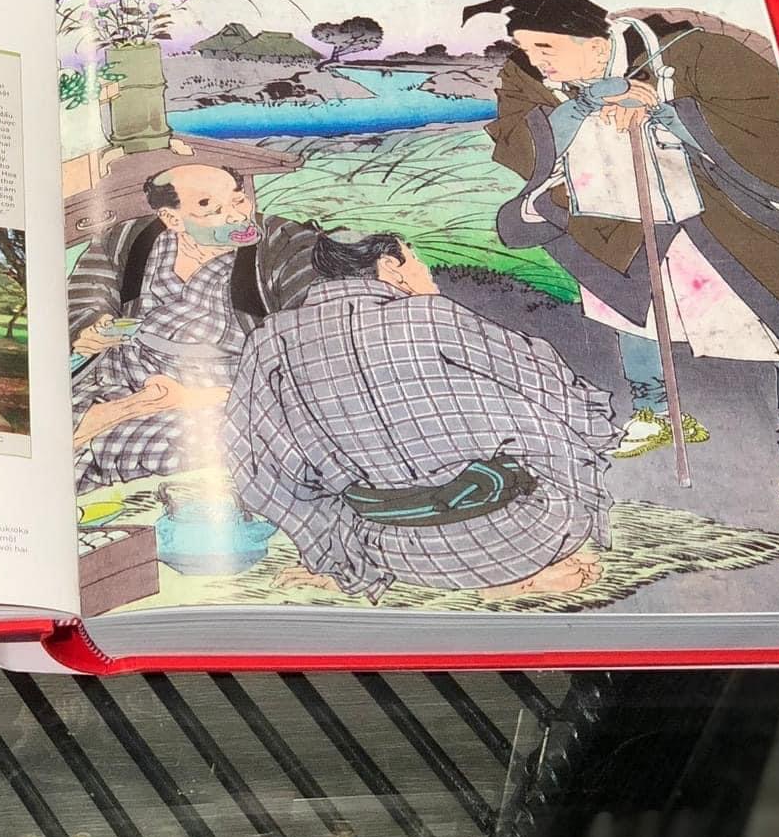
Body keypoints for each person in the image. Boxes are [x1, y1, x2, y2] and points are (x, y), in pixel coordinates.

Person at [468, 0, 779, 528]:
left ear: (595, 42)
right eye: (526, 48)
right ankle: (655, 411)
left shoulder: (695, 51)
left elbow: (775, 125)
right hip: (617, 215)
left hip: (729, 215)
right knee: (631, 307)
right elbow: (516, 141)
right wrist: (584, 104)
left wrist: (666, 111)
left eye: (545, 47)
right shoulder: (527, 75)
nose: (535, 60)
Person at [221, 231, 618, 598]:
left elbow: (253, 465)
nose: (426, 272)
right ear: (390, 266)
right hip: (527, 534)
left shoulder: (269, 341)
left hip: (390, 550)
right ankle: (514, 575)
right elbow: (552, 386)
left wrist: (333, 552)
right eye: (416, 261)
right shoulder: (433, 315)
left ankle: (499, 576)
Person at [68, 162, 318, 489]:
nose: (236, 216)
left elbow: (309, 335)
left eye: (238, 200)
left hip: (226, 392)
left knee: (198, 448)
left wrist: (196, 397)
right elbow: (88, 292)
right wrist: (91, 326)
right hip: (122, 373)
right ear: (173, 219)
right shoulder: (129, 238)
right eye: (210, 207)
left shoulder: (284, 243)